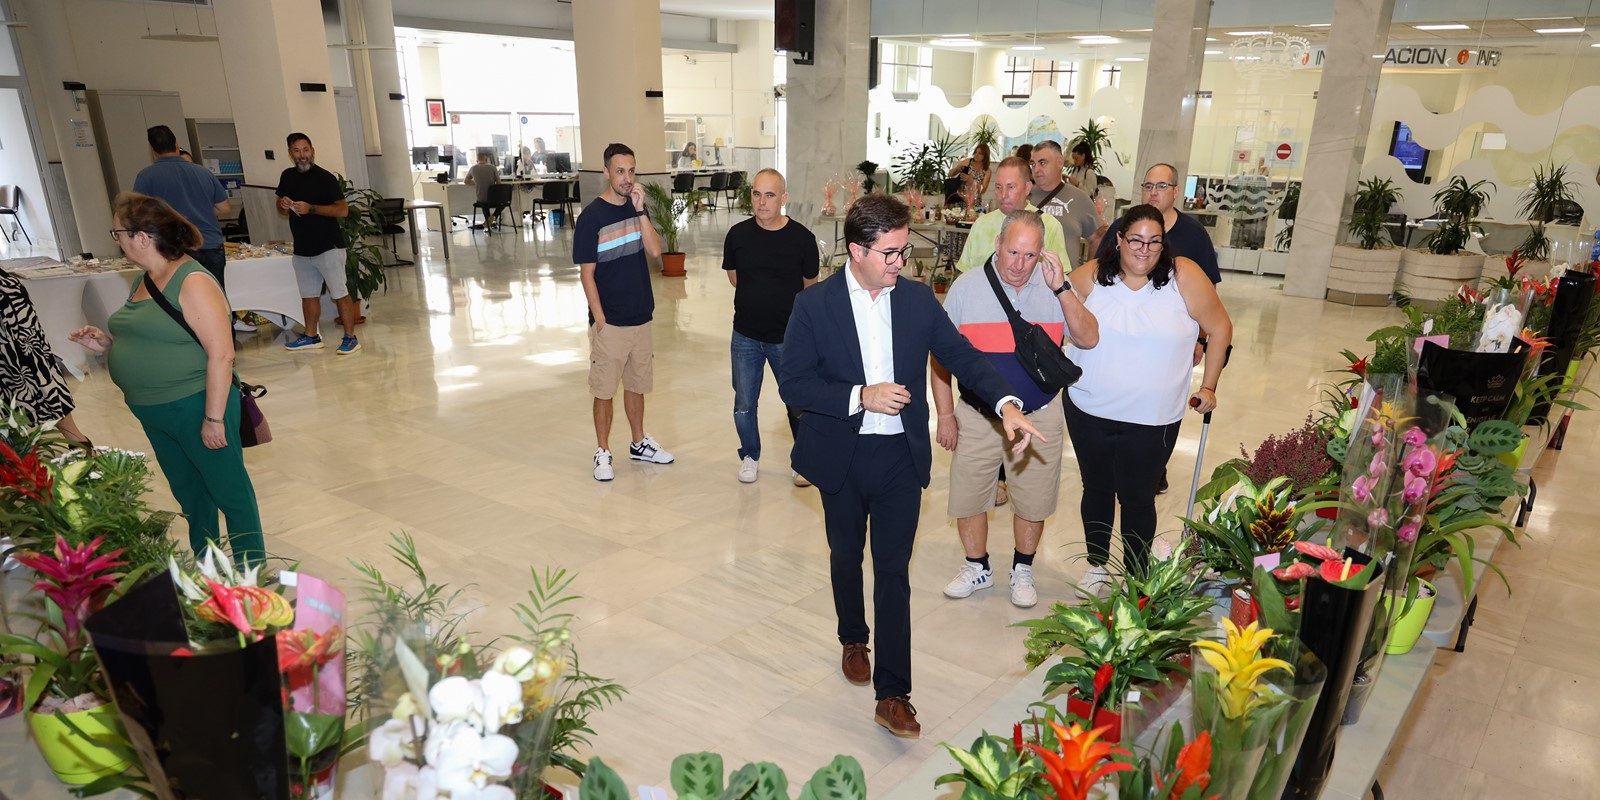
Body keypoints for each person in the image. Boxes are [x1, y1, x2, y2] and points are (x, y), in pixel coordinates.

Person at [779, 194, 1044, 738]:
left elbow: (965, 357)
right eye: (891, 253)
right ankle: (853, 636)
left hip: (899, 456)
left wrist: (1005, 403)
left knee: (894, 572)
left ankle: (894, 693)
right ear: (856, 251)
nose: (902, 262)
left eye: (903, 252)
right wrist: (860, 395)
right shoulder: (815, 306)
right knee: (846, 554)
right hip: (844, 456)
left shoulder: (919, 302)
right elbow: (794, 384)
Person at [69, 193, 264, 567]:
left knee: (230, 493)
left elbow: (222, 354)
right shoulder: (145, 279)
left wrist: (213, 418)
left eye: (118, 232)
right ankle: (208, 564)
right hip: (156, 411)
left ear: (142, 237)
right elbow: (153, 337)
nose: (117, 240)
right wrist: (108, 344)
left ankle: (249, 573)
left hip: (194, 405)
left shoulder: (193, 281)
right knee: (190, 494)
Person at [934, 211, 1097, 608]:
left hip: (1038, 414)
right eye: (1012, 252)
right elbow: (939, 357)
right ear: (996, 245)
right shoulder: (966, 289)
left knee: (1034, 497)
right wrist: (945, 414)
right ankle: (978, 566)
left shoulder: (1054, 286)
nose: (1018, 264)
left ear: (1042, 253)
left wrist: (1062, 290)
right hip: (978, 414)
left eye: (1029, 255)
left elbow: (1088, 338)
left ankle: (1023, 567)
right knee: (970, 495)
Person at [1064, 203, 1231, 591]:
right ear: (1118, 240)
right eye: (1135, 240)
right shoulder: (1092, 276)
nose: (1144, 249)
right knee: (1097, 488)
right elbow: (1053, 309)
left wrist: (1209, 386)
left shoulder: (1183, 276)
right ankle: (1097, 565)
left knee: (1138, 496)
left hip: (1154, 416)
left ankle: (1137, 575)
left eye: (1154, 242)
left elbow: (1220, 327)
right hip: (1089, 406)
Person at [1088, 163, 1223, 494]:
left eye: (1161, 186)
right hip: (1118, 346)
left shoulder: (1194, 235)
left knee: (1157, 407)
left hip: (1169, 346)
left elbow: (1210, 300)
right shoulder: (1122, 227)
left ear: (1176, 192)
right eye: (1148, 185)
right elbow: (1094, 275)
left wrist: (1201, 340)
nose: (1153, 191)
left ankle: (1153, 468)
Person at [575, 142, 674, 481]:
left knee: (636, 385)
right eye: (620, 171)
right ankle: (603, 450)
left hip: (640, 317)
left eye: (631, 171)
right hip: (611, 322)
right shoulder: (592, 217)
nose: (627, 178)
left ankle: (638, 442)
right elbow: (587, 274)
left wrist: (642, 210)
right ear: (606, 172)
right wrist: (599, 319)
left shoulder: (635, 209)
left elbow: (655, 250)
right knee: (604, 390)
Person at [723, 168, 819, 485]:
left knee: (797, 400)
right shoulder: (737, 235)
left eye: (770, 195)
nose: (762, 202)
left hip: (787, 338)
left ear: (783, 198)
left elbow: (809, 288)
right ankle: (750, 455)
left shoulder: (802, 239)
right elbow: (735, 278)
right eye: (756, 194)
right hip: (745, 336)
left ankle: (804, 460)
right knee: (744, 403)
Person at [275, 132, 360, 355]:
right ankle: (311, 336)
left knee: (339, 292)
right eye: (296, 151)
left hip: (329, 246)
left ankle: (351, 338)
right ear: (290, 153)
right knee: (308, 295)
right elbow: (278, 204)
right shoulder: (287, 176)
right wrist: (282, 204)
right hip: (303, 248)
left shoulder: (325, 178)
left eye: (305, 150)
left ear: (313, 150)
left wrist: (311, 208)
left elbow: (342, 210)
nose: (302, 155)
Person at [133, 125, 231, 288]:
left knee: (179, 300)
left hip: (172, 247)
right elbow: (224, 208)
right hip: (210, 246)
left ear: (152, 149)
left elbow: (138, 215)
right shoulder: (204, 172)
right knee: (215, 297)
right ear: (176, 144)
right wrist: (202, 210)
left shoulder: (147, 176)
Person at [0, 269, 89, 443]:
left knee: (34, 368)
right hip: (11, 303)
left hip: (9, 306)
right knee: (32, 369)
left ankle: (77, 441)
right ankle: (77, 441)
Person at [1029, 140, 1104, 268]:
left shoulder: (1080, 198)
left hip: (1066, 283)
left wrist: (1088, 275)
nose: (1036, 169)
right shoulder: (1024, 196)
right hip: (1027, 282)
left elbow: (1097, 239)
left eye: (1042, 163)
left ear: (1060, 163)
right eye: (1033, 164)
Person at [947, 143, 993, 208]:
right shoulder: (968, 161)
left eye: (980, 153)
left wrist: (971, 180)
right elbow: (950, 174)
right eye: (975, 152)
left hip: (974, 201)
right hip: (959, 198)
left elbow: (983, 190)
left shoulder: (987, 171)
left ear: (985, 156)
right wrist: (957, 168)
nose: (976, 155)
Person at [465, 151, 501, 228]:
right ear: (487, 159)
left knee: (483, 201)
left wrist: (476, 183)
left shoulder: (473, 168)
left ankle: (488, 223)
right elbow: (499, 183)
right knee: (503, 202)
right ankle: (493, 216)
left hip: (481, 199)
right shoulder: (493, 167)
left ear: (477, 160)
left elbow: (466, 181)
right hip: (493, 199)